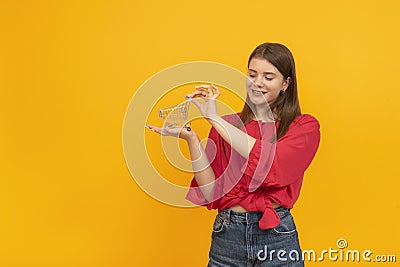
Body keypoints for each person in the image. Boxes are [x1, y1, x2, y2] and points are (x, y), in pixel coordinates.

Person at [146, 42, 320, 266]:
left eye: (268, 77)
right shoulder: (228, 125)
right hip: (227, 236)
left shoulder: (304, 127)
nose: (257, 82)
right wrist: (191, 139)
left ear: (286, 83)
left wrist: (214, 119)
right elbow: (210, 192)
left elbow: (271, 164)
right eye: (252, 74)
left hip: (277, 239)